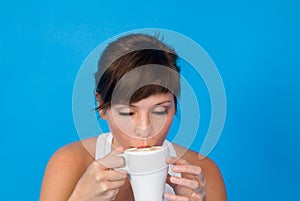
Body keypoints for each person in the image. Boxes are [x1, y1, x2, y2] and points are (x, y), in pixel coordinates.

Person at [40, 33, 227, 201]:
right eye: (127, 113)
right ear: (102, 106)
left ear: (175, 107)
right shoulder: (70, 164)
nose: (144, 128)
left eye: (160, 111)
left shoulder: (203, 174)